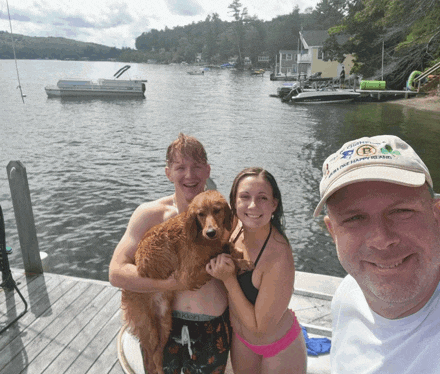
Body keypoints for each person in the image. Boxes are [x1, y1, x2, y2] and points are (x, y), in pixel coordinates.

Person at [313, 135, 440, 373]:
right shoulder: (348, 293)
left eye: (401, 211)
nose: (381, 239)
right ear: (332, 231)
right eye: (355, 218)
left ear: (437, 217)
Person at [109, 133, 231, 374]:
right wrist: (169, 283)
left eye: (196, 167)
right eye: (180, 167)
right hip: (159, 326)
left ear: (207, 171)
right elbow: (116, 272)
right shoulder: (149, 214)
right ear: (168, 173)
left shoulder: (223, 213)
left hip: (211, 328)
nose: (189, 175)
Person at [206, 167, 307, 374]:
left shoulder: (278, 255)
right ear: (234, 201)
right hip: (241, 340)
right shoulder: (235, 227)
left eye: (262, 198)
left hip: (277, 348)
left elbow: (259, 327)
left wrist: (229, 279)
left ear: (274, 204)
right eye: (245, 196)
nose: (253, 206)